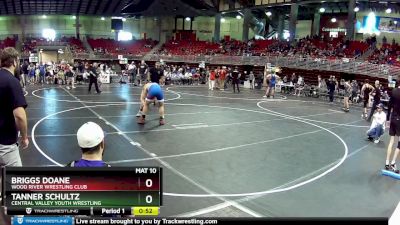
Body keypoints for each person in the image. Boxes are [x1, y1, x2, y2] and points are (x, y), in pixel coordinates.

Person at [0, 47, 29, 167]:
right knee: (15, 180)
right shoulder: (12, 81)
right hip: (5, 143)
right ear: (14, 62)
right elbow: (20, 116)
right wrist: (24, 137)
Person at [385, 80, 400, 173]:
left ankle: (387, 162)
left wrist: (387, 118)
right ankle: (393, 163)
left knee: (391, 141)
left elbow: (389, 105)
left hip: (393, 118)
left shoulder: (394, 91)